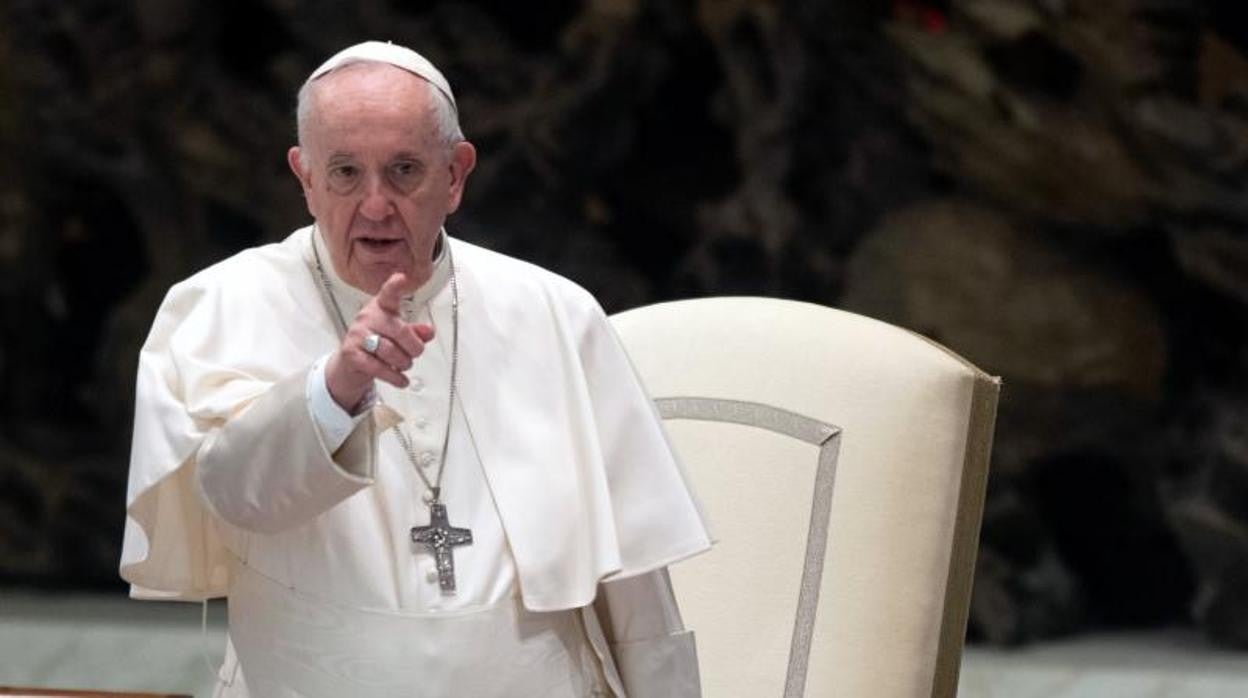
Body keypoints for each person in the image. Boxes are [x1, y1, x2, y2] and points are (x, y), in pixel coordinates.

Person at [119, 40, 712, 698]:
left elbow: (635, 588)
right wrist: (334, 390)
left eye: (404, 170)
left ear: (455, 175)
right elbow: (230, 490)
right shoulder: (223, 306)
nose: (375, 206)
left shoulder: (555, 314)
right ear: (305, 177)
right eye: (345, 172)